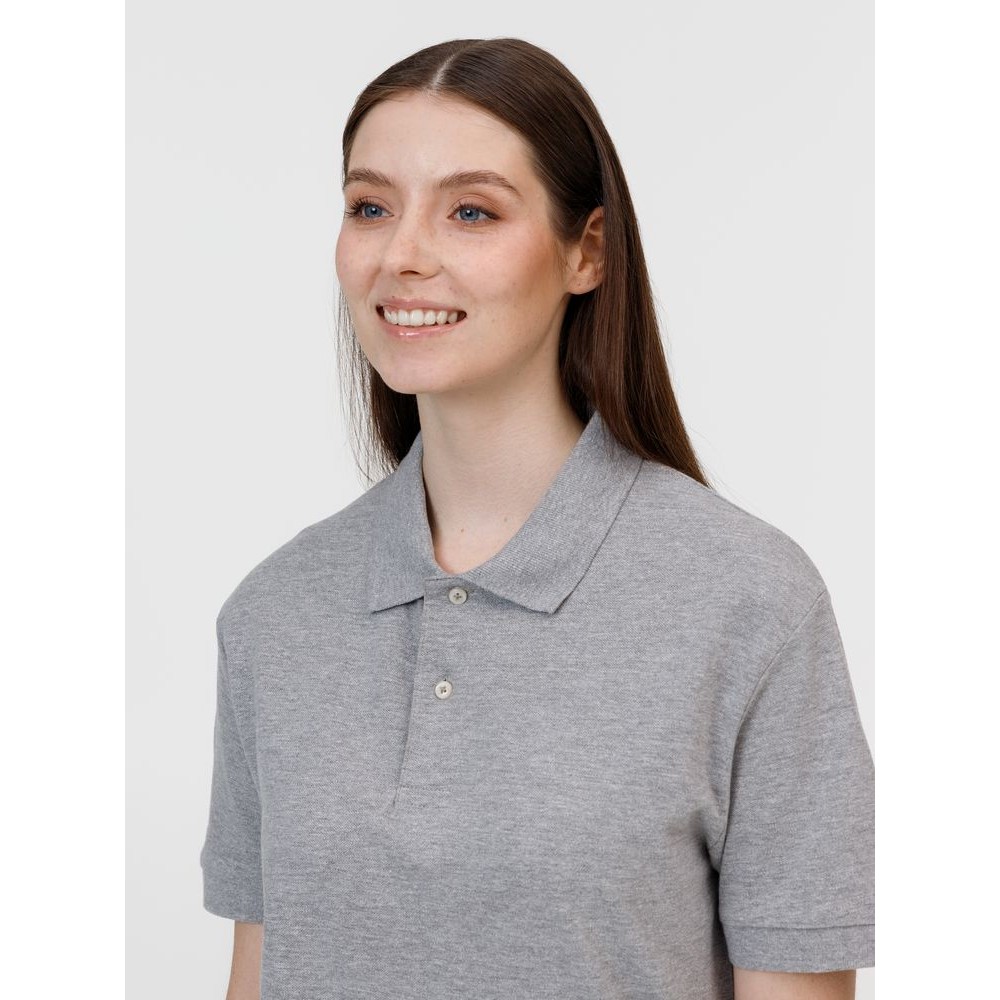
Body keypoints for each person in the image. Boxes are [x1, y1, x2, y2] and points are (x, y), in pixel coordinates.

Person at [199, 37, 875, 1000]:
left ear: (586, 251)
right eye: (370, 207)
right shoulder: (274, 613)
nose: (403, 255)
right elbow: (258, 977)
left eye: (471, 211)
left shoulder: (748, 602)